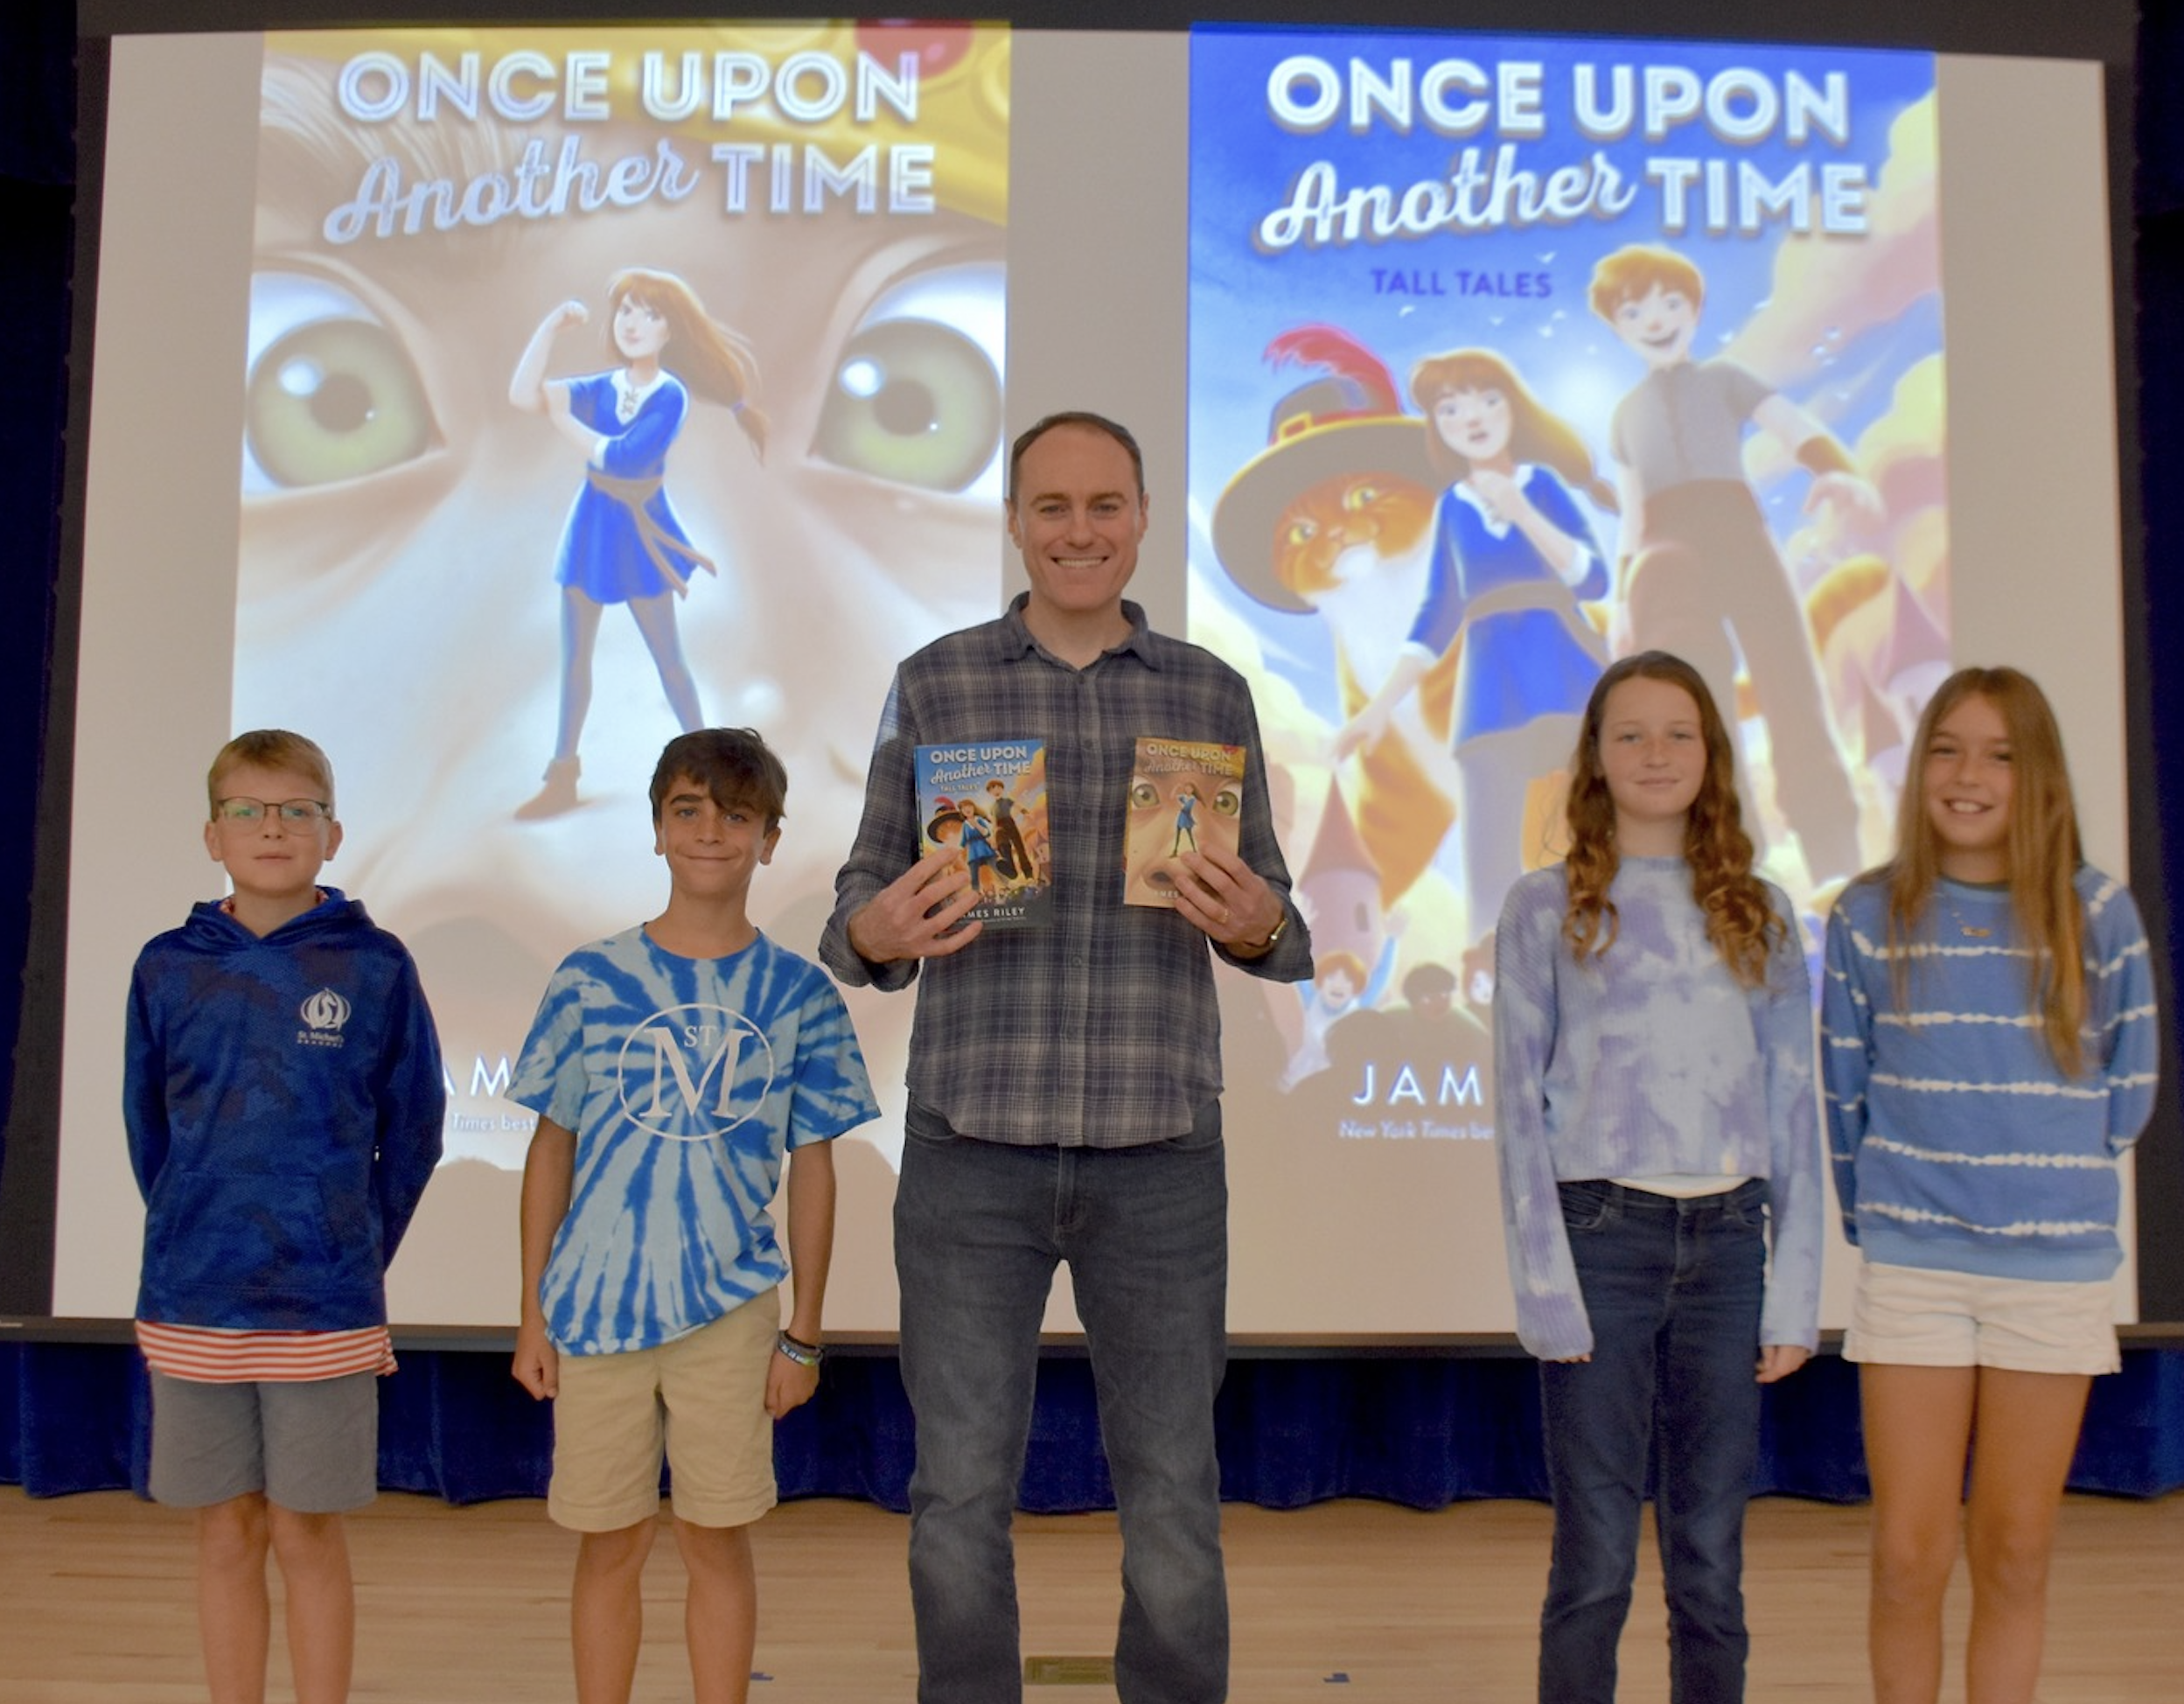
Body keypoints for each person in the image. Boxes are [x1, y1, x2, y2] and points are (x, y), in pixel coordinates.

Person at [820, 410, 1313, 1704]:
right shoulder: (939, 683)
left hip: (1158, 1155)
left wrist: (1261, 923)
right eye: (1051, 507)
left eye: (1103, 506)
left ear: (1141, 519)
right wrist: (874, 931)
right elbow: (857, 907)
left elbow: (1280, 926)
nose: (1077, 530)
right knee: (959, 1491)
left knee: (1171, 1493)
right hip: (969, 1152)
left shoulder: (1209, 694)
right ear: (1015, 523)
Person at [509, 728, 876, 1704]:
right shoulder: (589, 979)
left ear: (769, 839)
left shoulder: (798, 993)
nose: (710, 830)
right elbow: (552, 1148)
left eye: (737, 814)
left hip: (731, 1311)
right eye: (687, 809)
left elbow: (813, 1168)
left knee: (717, 1538)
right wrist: (532, 1312)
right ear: (657, 831)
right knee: (610, 1543)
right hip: (593, 1310)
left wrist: (803, 1334)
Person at [1819, 667, 2158, 1704]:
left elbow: (2128, 1087)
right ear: (1918, 766)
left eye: (1999, 754)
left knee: (2013, 1550)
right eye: (1946, 748)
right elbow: (1842, 1089)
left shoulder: (2095, 912)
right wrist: (1891, 1210)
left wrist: (2035, 1180)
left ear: (2038, 777)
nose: (1969, 774)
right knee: (1906, 1559)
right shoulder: (1868, 915)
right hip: (1915, 1270)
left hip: (2049, 1276)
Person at [1493, 652, 1821, 1704]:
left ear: (1709, 756)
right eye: (1627, 733)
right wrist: (1544, 1286)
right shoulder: (1543, 906)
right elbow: (1513, 1110)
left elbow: (1792, 1108)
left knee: (1710, 1561)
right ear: (1592, 757)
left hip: (1729, 1248)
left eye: (1676, 732)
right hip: (1601, 1242)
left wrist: (1796, 1292)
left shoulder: (1759, 911)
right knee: (1592, 1559)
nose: (1653, 753)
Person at [125, 729, 445, 1704]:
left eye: (296, 809)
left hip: (325, 1304)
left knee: (308, 1528)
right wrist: (197, 1224)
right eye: (249, 810)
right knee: (224, 1529)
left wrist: (348, 1241)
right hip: (194, 1299)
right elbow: (150, 1131)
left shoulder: (376, 965)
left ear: (332, 830)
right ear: (212, 835)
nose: (273, 826)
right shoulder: (167, 965)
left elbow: (417, 1130)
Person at [1589, 243, 1880, 886]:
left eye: (1671, 303)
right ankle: (1730, 851)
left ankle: (1833, 851)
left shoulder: (1726, 379)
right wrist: (1621, 604)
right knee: (1696, 699)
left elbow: (1789, 422)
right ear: (1618, 325)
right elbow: (1632, 515)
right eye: (1636, 310)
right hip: (1667, 552)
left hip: (1737, 532)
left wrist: (1834, 468)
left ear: (1693, 309)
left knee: (1789, 680)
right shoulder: (1625, 415)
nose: (1657, 319)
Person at [1335, 347, 1613, 957]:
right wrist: (1378, 708)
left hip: (1564, 671)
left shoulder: (1541, 484)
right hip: (1491, 688)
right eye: (1450, 408)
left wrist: (1521, 512)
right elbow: (1436, 615)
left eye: (1488, 399)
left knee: (1588, 832)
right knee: (1489, 847)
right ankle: (1486, 968)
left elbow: (1593, 580)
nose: (1473, 417)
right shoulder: (1453, 508)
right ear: (1439, 426)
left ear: (1513, 405)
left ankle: (1598, 960)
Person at [509, 269, 770, 820]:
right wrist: (551, 328)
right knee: (575, 659)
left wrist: (563, 420)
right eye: (626, 309)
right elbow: (522, 395)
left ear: (670, 330)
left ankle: (717, 773)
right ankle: (562, 774)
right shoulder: (604, 385)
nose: (632, 323)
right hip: (592, 526)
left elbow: (623, 457)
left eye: (649, 313)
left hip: (639, 531)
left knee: (669, 661)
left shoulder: (669, 394)